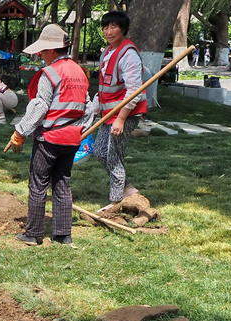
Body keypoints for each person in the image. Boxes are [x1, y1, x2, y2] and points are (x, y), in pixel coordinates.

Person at [3, 23, 88, 247]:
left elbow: (40, 106)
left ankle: (33, 233)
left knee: (38, 184)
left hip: (49, 138)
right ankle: (63, 235)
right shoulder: (79, 71)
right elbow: (87, 105)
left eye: (42, 50)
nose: (40, 54)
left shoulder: (49, 73)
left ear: (52, 50)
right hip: (71, 139)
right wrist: (80, 127)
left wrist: (20, 131)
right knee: (62, 184)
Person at [87, 11, 148, 213]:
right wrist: (94, 109)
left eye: (113, 27)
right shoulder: (108, 51)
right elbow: (106, 86)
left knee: (113, 155)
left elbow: (134, 92)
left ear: (123, 29)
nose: (109, 31)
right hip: (109, 113)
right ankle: (127, 188)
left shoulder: (128, 54)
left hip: (126, 113)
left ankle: (115, 202)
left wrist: (121, 119)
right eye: (105, 27)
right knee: (99, 152)